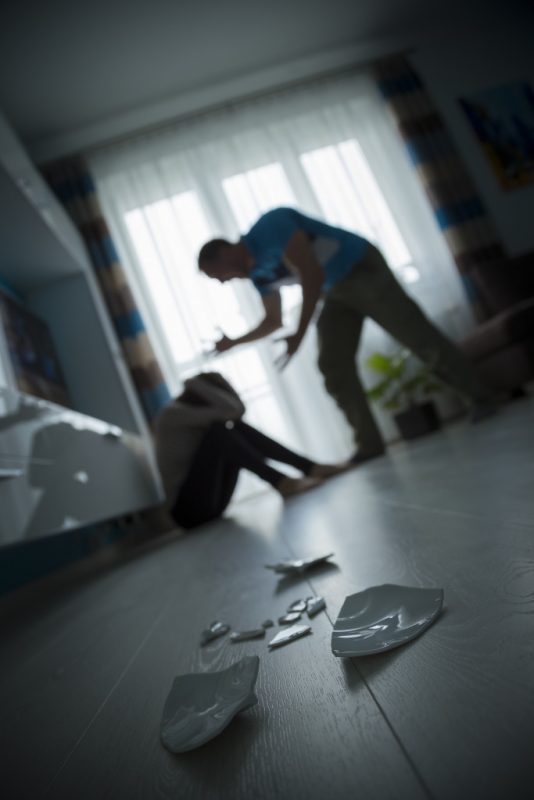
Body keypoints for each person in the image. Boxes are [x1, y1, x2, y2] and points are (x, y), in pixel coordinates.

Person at [198, 206, 496, 463]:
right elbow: (272, 321)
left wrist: (298, 337)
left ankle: (481, 397)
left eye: (217, 275)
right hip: (335, 292)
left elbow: (311, 275)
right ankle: (370, 445)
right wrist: (233, 342)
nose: (223, 282)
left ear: (223, 254)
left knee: (416, 336)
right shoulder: (260, 275)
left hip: (359, 269)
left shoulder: (270, 226)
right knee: (333, 364)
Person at [152, 371, 348, 529]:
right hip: (187, 512)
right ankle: (281, 481)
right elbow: (233, 409)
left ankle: (309, 468)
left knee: (234, 428)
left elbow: (238, 412)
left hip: (212, 504)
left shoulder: (187, 414)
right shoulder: (172, 414)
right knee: (218, 432)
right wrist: (194, 382)